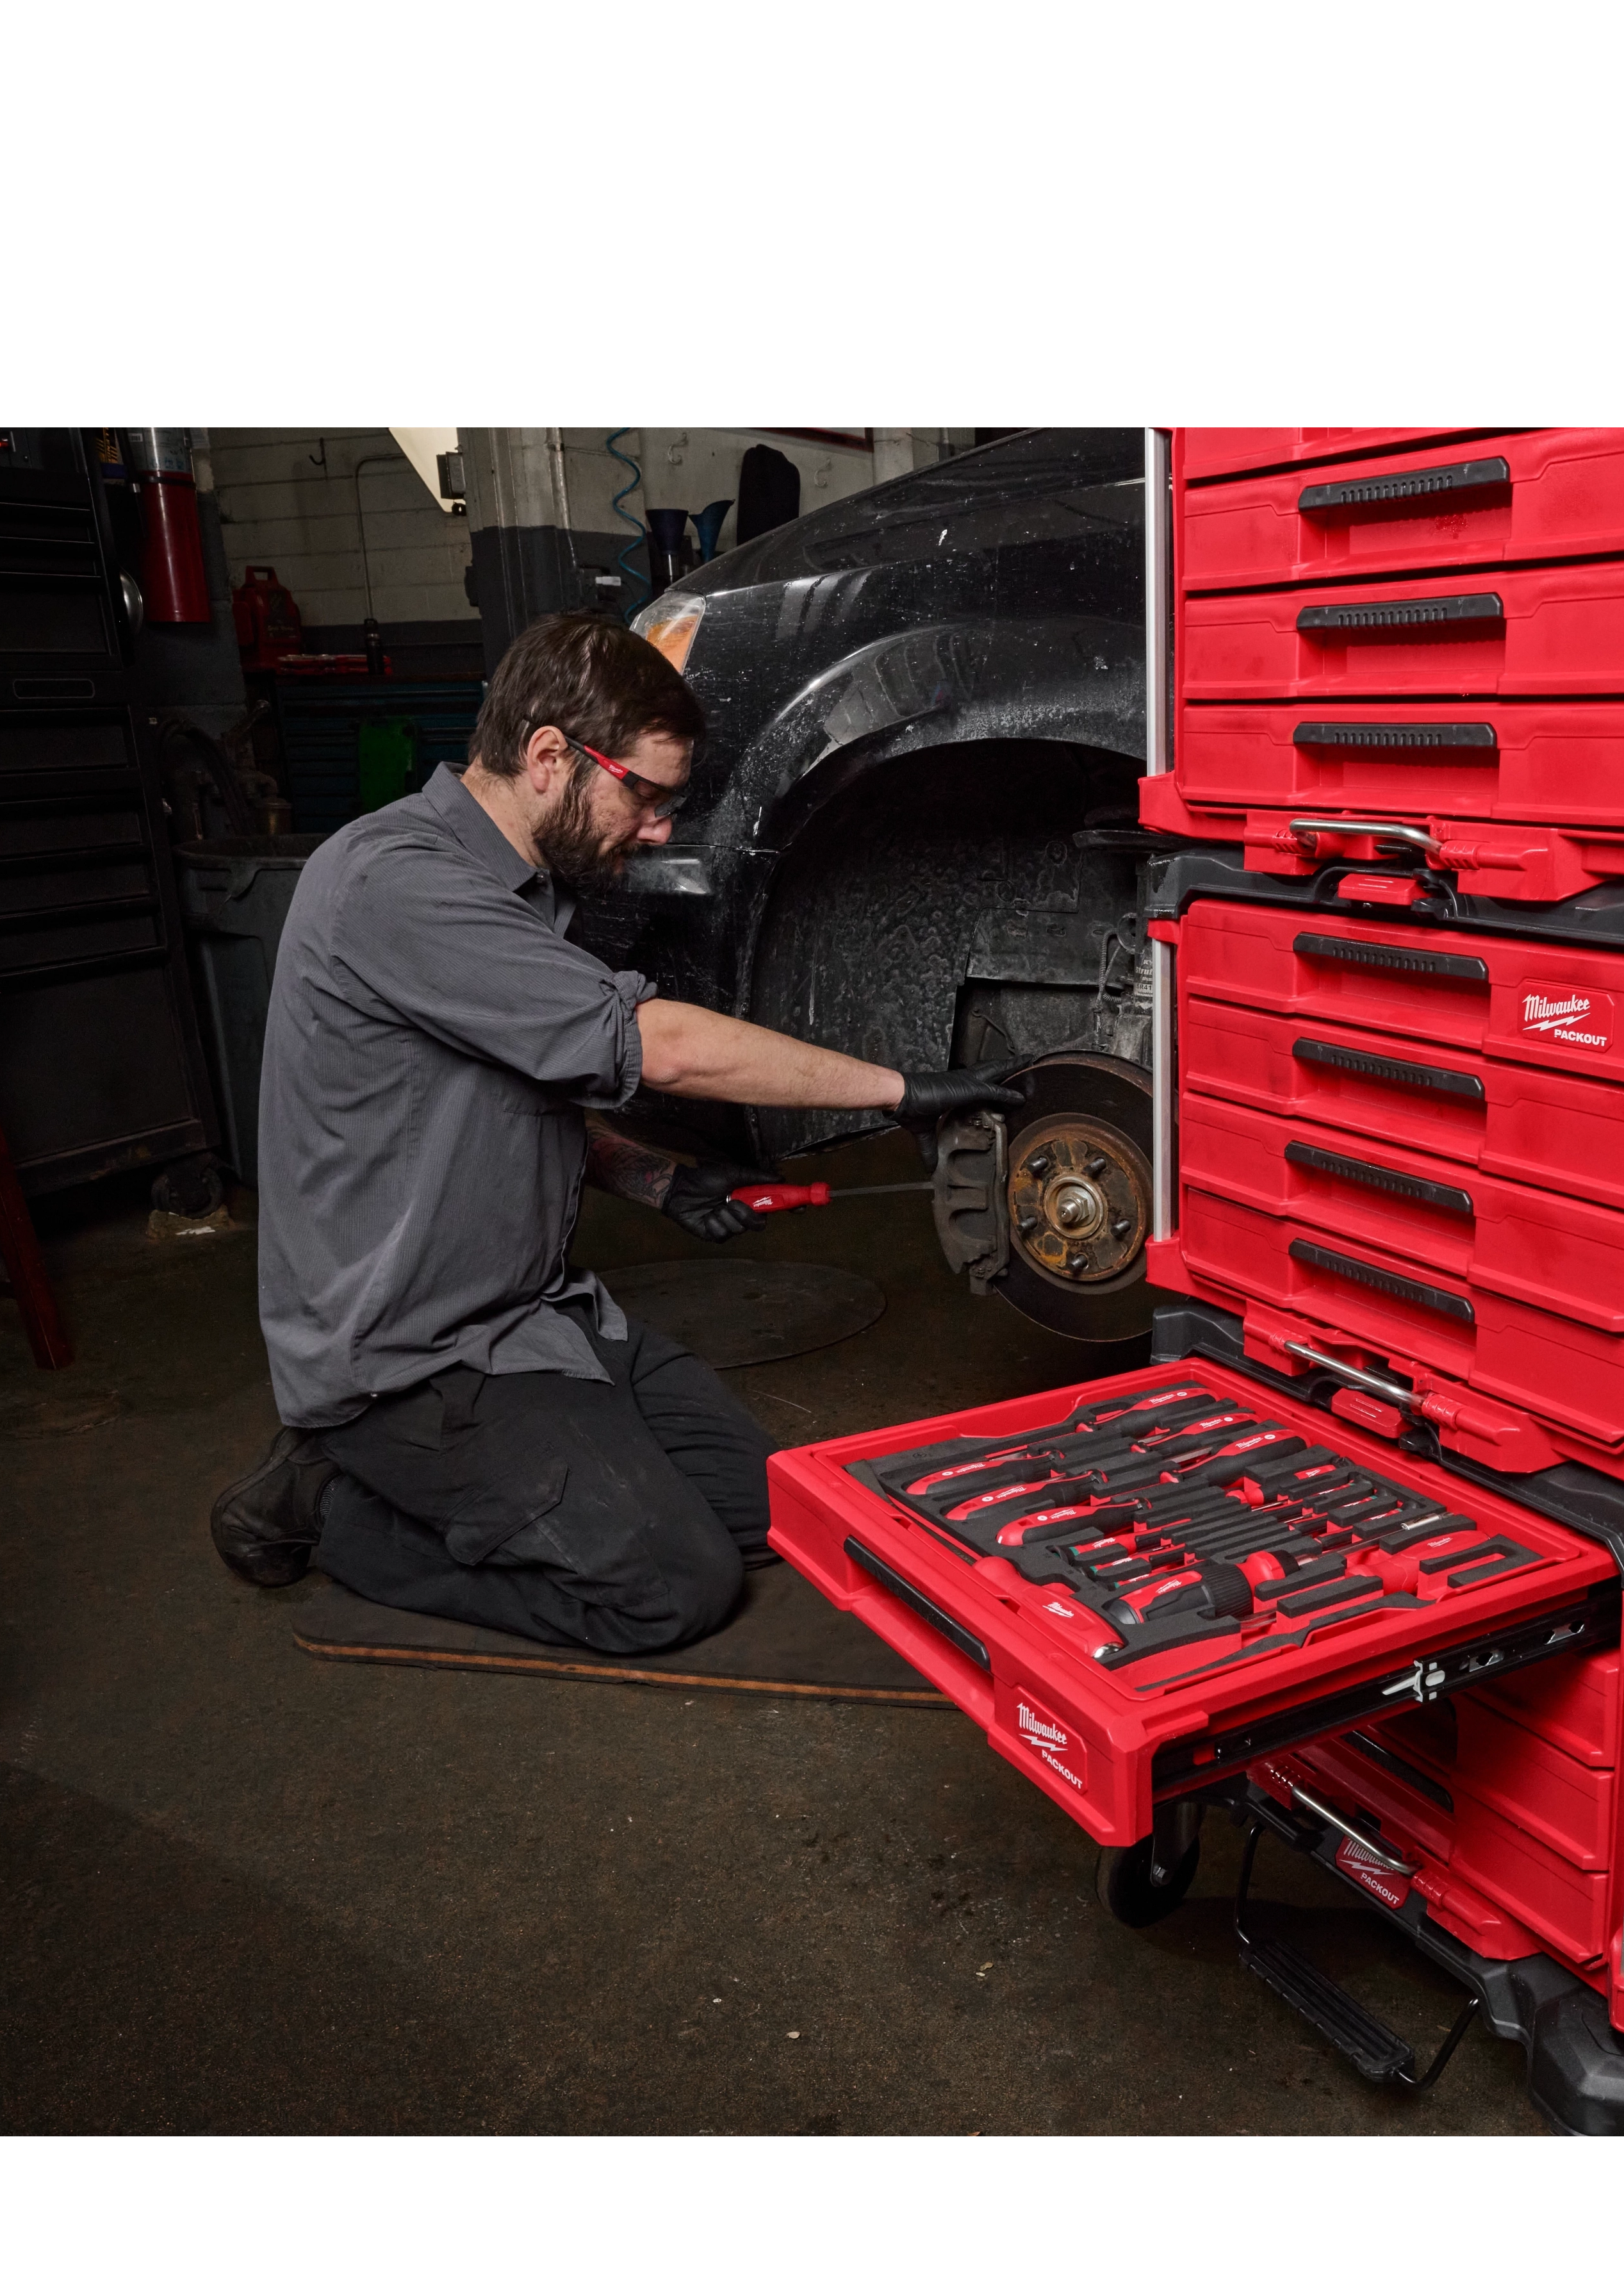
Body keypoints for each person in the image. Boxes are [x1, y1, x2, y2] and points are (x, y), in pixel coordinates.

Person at [209, 611, 1020, 1653]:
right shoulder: (397, 883)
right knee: (672, 1589)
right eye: (644, 794)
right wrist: (899, 1089)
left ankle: (463, 1478)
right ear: (550, 755)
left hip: (535, 1319)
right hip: (413, 1362)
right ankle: (331, 1502)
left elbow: (485, 1106)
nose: (659, 831)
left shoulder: (524, 888)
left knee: (777, 1516)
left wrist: (655, 1181)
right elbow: (655, 1045)